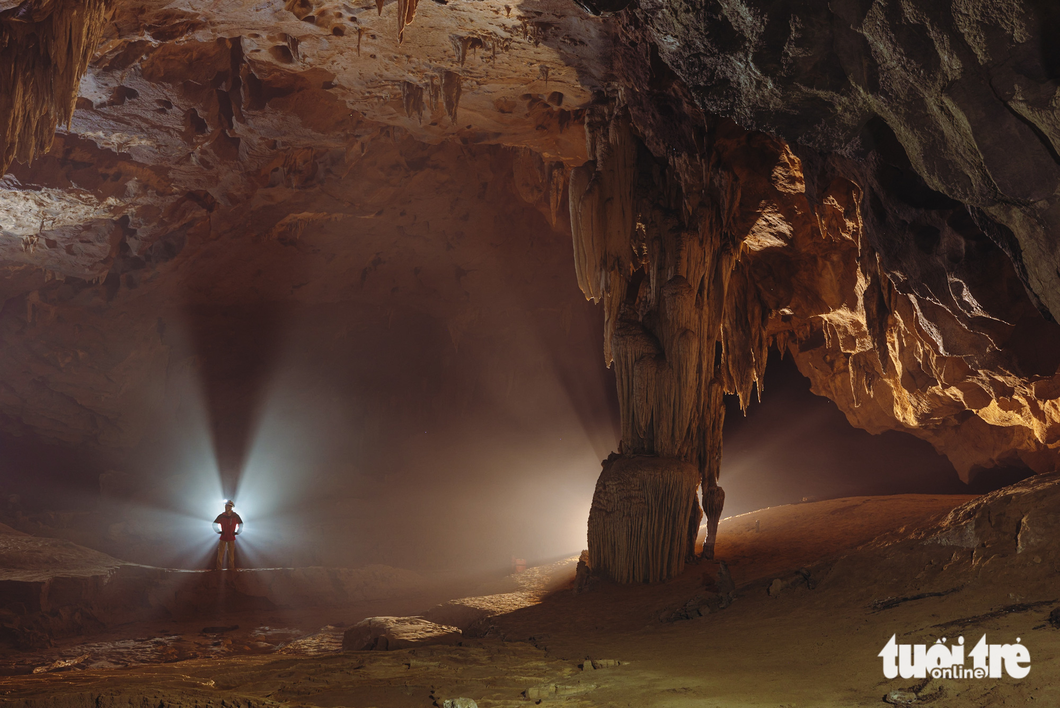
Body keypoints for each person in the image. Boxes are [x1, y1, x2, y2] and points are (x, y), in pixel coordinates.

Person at [213, 500, 243, 570]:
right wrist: (218, 531)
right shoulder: (222, 515)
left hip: (230, 538)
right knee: (221, 554)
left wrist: (238, 532)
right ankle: (219, 568)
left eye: (228, 506)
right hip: (224, 537)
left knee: (231, 555)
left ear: (231, 507)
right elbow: (214, 524)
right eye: (226, 506)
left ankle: (231, 569)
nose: (226, 507)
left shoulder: (235, 516)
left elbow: (241, 524)